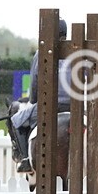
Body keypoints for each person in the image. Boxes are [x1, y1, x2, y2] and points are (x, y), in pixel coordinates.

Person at [11, 19, 71, 172]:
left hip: (50, 106)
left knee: (16, 120)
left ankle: (25, 159)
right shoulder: (75, 51)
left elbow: (35, 81)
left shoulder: (42, 52)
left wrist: (33, 100)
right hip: (74, 106)